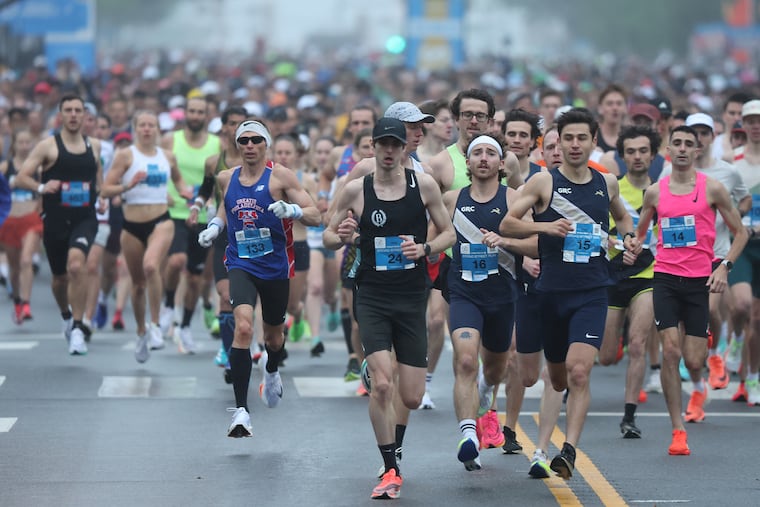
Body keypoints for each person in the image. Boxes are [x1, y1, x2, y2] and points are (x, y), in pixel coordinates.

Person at [500, 108, 639, 478]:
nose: (574, 145)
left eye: (582, 138)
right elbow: (507, 223)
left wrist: (627, 238)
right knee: (558, 378)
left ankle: (569, 449)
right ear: (557, 142)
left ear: (594, 141)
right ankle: (553, 441)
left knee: (579, 373)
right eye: (568, 138)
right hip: (551, 293)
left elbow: (623, 217)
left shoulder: (605, 183)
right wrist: (546, 229)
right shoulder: (544, 182)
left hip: (592, 291)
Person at [323, 118, 455, 499]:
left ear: (403, 148)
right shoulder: (356, 190)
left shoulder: (424, 185)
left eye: (395, 144)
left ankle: (393, 443)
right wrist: (341, 236)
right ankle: (391, 467)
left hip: (412, 296)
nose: (389, 150)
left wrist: (426, 249)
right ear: (373, 146)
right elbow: (330, 234)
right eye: (382, 143)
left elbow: (448, 232)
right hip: (373, 296)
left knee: (410, 396)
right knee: (383, 385)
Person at [197, 120, 320, 438]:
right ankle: (241, 411)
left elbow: (315, 214)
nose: (250, 145)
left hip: (276, 267)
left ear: (265, 144)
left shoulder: (280, 176)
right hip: (241, 263)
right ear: (238, 146)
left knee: (274, 338)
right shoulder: (226, 177)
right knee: (244, 326)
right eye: (244, 141)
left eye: (256, 140)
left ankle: (272, 369)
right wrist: (214, 227)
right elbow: (226, 210)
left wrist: (292, 210)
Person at [637, 125, 748, 455]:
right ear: (668, 150)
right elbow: (641, 234)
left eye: (689, 144)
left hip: (700, 280)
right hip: (666, 279)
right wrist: (631, 245)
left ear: (697, 151)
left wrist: (724, 266)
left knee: (693, 359)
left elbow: (740, 233)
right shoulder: (656, 192)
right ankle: (677, 430)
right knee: (671, 352)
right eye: (678, 143)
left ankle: (705, 358)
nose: (683, 149)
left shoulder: (712, 188)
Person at [442, 133, 536, 471]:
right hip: (464, 292)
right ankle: (468, 434)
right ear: (466, 163)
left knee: (496, 368)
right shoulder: (451, 199)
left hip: (502, 295)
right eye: (476, 153)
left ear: (501, 163)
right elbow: (432, 236)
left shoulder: (515, 199)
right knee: (466, 361)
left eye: (490, 153)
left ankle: (483, 390)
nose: (483, 158)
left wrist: (507, 239)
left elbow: (537, 246)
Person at [16, 94, 105, 355]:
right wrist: (42, 186)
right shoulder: (47, 146)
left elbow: (97, 181)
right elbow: (22, 177)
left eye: (79, 110)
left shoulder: (95, 146)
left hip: (85, 218)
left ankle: (78, 327)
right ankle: (66, 316)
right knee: (59, 277)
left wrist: (101, 198)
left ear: (84, 115)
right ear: (61, 115)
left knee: (77, 266)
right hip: (55, 219)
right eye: (69, 110)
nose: (74, 115)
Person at [101, 110, 193, 363]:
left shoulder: (168, 156)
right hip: (131, 225)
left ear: (158, 130)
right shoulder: (125, 155)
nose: (147, 129)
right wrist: (127, 186)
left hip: (161, 221)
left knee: (152, 266)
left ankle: (155, 325)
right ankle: (141, 330)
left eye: (151, 125)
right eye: (142, 125)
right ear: (135, 128)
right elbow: (106, 189)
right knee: (138, 284)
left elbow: (178, 180)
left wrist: (185, 192)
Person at [597, 125, 661, 438]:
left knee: (639, 344)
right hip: (612, 276)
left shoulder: (662, 192)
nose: (637, 157)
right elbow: (599, 232)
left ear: (653, 155)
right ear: (622, 156)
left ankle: (629, 417)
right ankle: (616, 338)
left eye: (643, 151)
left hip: (648, 277)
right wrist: (614, 243)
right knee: (607, 357)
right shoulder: (611, 190)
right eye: (631, 151)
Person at [160, 96, 221, 353]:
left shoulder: (217, 144)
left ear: (207, 116)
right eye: (192, 111)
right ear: (184, 114)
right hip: (175, 212)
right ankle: (168, 304)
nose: (195, 116)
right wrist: (166, 193)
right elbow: (160, 169)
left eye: (200, 112)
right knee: (175, 261)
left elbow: (219, 180)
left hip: (204, 217)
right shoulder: (171, 140)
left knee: (196, 279)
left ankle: (184, 326)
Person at [192, 105, 247, 379]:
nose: (236, 128)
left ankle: (249, 343)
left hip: (252, 234)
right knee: (226, 297)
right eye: (232, 123)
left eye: (242, 123)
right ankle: (229, 355)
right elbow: (204, 190)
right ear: (223, 127)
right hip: (224, 233)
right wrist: (196, 206)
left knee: (247, 303)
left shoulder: (259, 159)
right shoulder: (214, 161)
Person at [729, 99, 760, 404]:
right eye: (750, 120)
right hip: (740, 245)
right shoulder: (733, 163)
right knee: (741, 306)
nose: (756, 126)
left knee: (759, 319)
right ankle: (735, 338)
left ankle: (752, 377)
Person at [0, 129, 43, 323]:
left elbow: (45, 193)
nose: (25, 146)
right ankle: (17, 300)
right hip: (9, 221)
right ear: (14, 145)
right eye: (21, 142)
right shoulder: (5, 167)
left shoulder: (38, 170)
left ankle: (26, 303)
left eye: (28, 142)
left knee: (27, 260)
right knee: (14, 267)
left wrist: (39, 211)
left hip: (30, 220)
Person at [416, 99, 454, 163]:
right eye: (444, 120)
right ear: (427, 123)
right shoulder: (412, 157)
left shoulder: (454, 157)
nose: (451, 125)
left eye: (451, 120)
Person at [594, 84, 627, 154]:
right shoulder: (592, 136)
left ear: (625, 108)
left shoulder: (631, 137)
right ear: (600, 108)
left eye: (619, 103)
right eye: (609, 104)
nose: (615, 108)